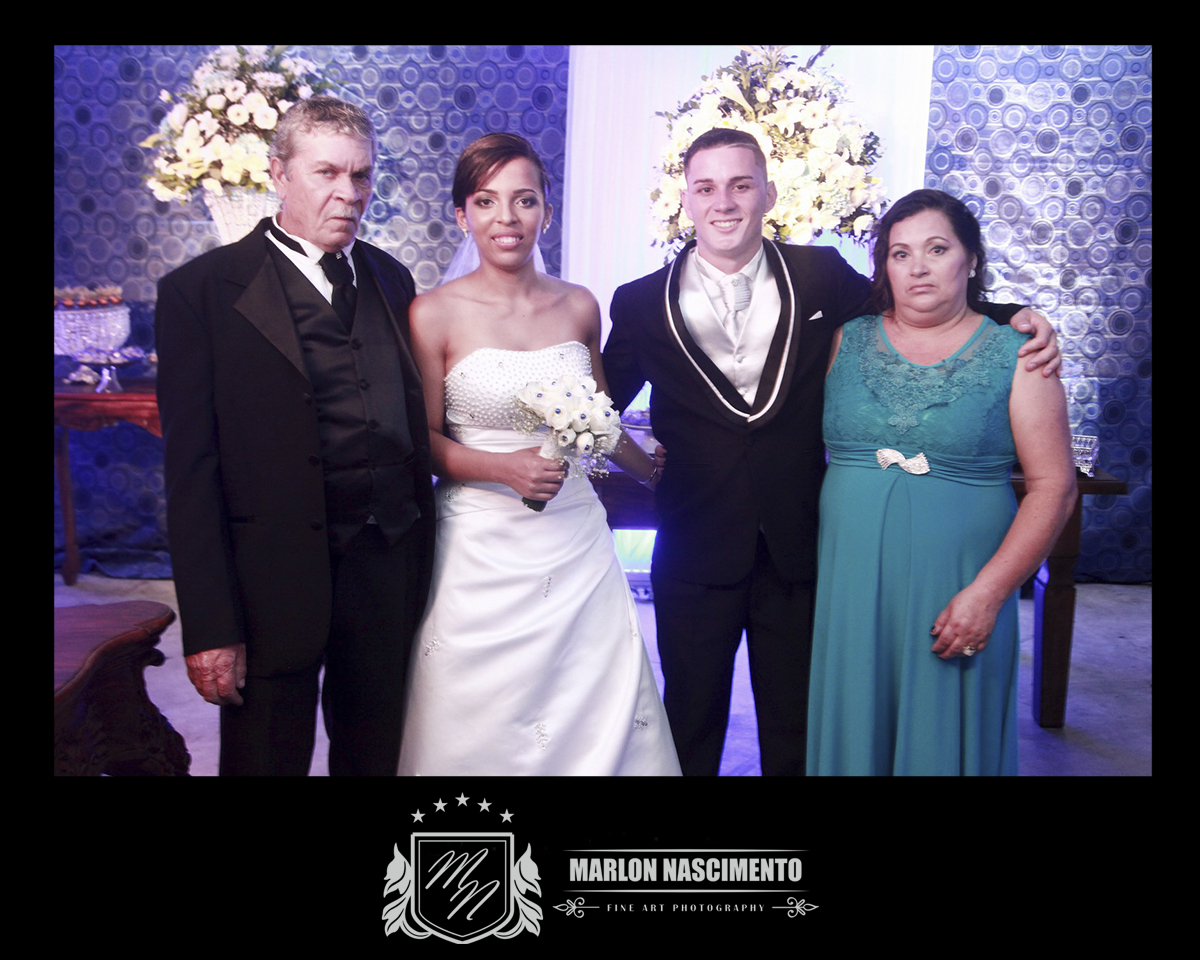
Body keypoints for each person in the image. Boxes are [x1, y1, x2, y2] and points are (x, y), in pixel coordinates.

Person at [603, 128, 1060, 776]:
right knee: (688, 721)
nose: (723, 202)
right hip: (695, 545)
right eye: (706, 188)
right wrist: (640, 465)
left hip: (801, 551)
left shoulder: (819, 275)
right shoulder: (639, 302)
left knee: (798, 725)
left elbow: (911, 297)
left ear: (768, 194)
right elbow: (597, 407)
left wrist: (1017, 314)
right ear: (686, 199)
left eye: (740, 185)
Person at [156, 96, 435, 776]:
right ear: (278, 173)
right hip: (270, 583)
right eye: (327, 173)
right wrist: (211, 626)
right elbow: (190, 475)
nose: (349, 193)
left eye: (361, 175)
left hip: (386, 567)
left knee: (377, 761)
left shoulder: (393, 278)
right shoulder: (200, 293)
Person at [397, 133, 681, 776]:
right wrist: (503, 468)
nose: (507, 218)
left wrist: (653, 469)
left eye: (524, 200)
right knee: (483, 706)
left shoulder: (579, 305)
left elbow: (599, 421)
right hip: (480, 543)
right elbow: (424, 442)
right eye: (486, 201)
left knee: (590, 695)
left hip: (575, 536)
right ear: (462, 215)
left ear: (546, 212)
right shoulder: (432, 314)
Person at [806, 189, 1076, 775]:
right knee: (857, 727)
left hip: (961, 586)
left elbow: (1055, 486)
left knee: (942, 733)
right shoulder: (844, 339)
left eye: (937, 249)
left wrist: (989, 594)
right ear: (884, 266)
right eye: (900, 253)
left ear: (971, 258)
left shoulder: (1020, 353)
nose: (918, 267)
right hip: (851, 588)